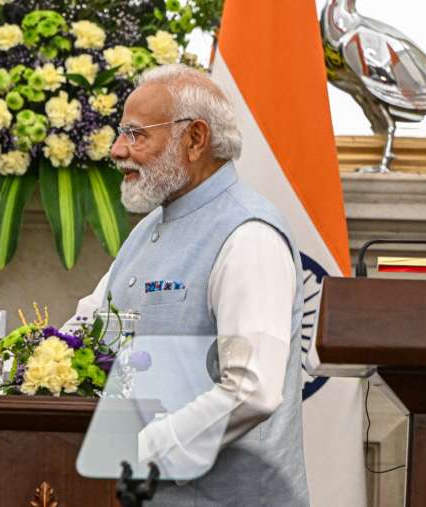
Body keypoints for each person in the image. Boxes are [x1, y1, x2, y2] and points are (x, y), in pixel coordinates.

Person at [69, 64, 309, 505]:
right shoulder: (147, 231)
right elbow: (80, 336)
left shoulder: (249, 234)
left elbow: (250, 390)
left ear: (195, 139)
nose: (117, 150)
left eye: (136, 134)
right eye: (121, 133)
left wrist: (141, 451)